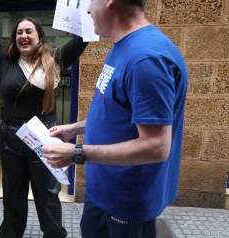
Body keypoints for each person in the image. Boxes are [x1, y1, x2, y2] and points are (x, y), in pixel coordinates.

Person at [41, 0, 188, 237]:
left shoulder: (147, 58)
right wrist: (74, 129)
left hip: (126, 198)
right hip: (104, 188)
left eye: (91, 1)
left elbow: (156, 147)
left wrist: (77, 153)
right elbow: (119, 114)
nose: (88, 9)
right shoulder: (123, 46)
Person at [0, 17, 88, 238]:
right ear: (14, 39)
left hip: (44, 135)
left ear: (39, 36)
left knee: (48, 195)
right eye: (19, 32)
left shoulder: (55, 58)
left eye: (29, 31)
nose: (23, 35)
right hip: (12, 138)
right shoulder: (5, 60)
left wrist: (84, 13)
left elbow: (82, 40)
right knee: (12, 195)